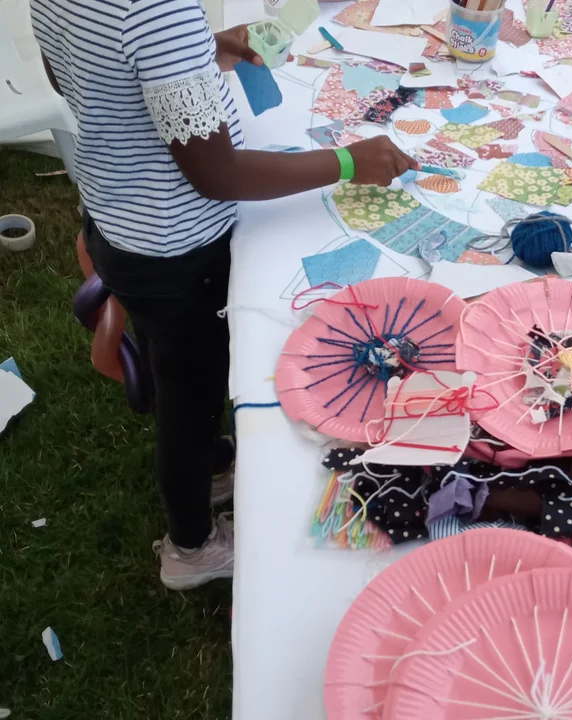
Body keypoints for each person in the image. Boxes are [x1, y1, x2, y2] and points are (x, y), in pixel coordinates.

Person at [30, 0, 418, 590]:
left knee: (172, 367)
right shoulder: (157, 11)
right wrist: (347, 160)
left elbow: (80, 76)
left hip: (120, 224)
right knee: (192, 400)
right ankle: (191, 546)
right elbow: (217, 174)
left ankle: (211, 467)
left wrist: (195, 55)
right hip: (177, 251)